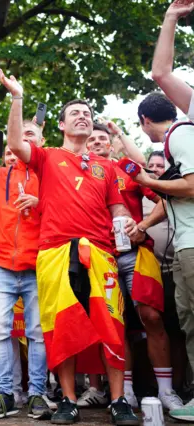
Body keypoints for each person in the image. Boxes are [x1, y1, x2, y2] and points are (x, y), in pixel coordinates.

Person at [0, 68, 139, 425]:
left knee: (112, 323)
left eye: (87, 114)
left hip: (101, 254)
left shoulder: (106, 167)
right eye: (75, 113)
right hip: (55, 252)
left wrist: (130, 223)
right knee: (62, 327)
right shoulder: (48, 157)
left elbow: (117, 208)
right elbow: (15, 144)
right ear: (60, 125)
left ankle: (119, 400)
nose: (83, 117)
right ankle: (68, 400)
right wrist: (17, 98)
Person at [87, 123, 183, 411]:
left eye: (102, 138)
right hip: (99, 256)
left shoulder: (125, 169)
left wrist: (142, 225)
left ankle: (166, 391)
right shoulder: (76, 174)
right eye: (91, 139)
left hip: (135, 255)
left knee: (152, 317)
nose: (96, 142)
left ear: (111, 143)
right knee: (115, 325)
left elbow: (166, 200)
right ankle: (124, 392)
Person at [0, 143, 51, 420]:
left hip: (37, 263)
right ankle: (5, 395)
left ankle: (38, 392)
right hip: (1, 263)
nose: (12, 156)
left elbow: (62, 209)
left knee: (37, 332)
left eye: (17, 151)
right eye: (7, 153)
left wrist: (40, 203)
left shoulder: (45, 172)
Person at [131, 88, 194, 423]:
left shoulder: (180, 135)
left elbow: (192, 186)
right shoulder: (175, 144)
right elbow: (167, 200)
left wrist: (145, 180)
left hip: (191, 246)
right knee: (188, 321)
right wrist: (143, 223)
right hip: (183, 247)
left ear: (145, 121)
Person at [138, 152, 189, 400]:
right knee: (147, 327)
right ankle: (149, 386)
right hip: (147, 272)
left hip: (173, 271)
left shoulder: (175, 193)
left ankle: (178, 386)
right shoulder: (143, 194)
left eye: (161, 166)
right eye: (152, 166)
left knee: (177, 329)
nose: (156, 169)